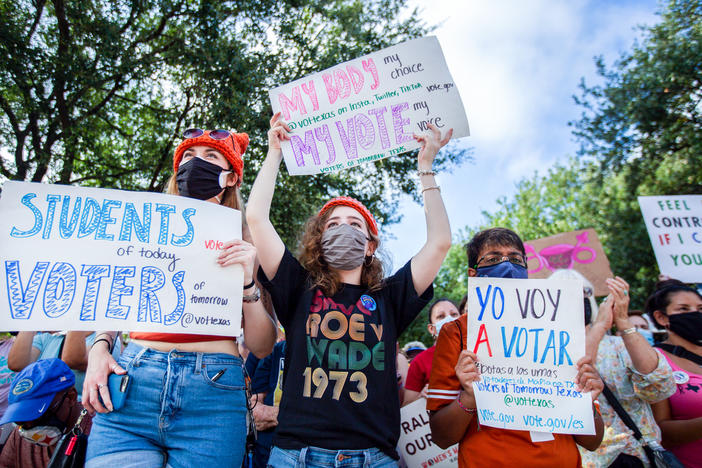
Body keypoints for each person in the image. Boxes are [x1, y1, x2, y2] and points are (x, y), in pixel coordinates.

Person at [246, 113, 453, 467]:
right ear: (320, 240)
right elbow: (256, 218)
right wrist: (274, 154)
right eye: (334, 224)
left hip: (374, 459)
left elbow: (440, 242)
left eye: (355, 224)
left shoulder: (391, 298)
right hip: (298, 456)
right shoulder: (297, 288)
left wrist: (426, 168)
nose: (344, 229)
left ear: (370, 245)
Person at [82, 128, 277, 468]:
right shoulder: (144, 227)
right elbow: (114, 297)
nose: (195, 163)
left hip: (213, 396)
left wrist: (248, 283)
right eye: (188, 156)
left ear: (230, 177)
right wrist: (99, 349)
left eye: (210, 156)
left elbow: (262, 346)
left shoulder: (249, 243)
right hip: (134, 384)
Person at [427, 227, 605, 468]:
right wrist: (469, 397)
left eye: (515, 259)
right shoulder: (456, 333)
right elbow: (441, 436)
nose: (507, 265)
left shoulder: (559, 325)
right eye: (493, 259)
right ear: (474, 273)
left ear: (526, 269)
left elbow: (592, 441)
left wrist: (586, 402)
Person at [555, 269, 676, 468]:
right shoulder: (544, 353)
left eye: (580, 293)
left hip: (638, 458)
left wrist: (623, 320)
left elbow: (659, 386)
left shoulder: (619, 345)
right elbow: (573, 374)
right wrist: (601, 325)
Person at [646, 280, 702, 468]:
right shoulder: (654, 360)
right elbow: (660, 431)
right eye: (684, 309)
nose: (696, 314)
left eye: (700, 308)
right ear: (662, 318)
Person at [0, 358, 91, 468]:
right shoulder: (18, 436)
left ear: (71, 397)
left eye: (38, 415)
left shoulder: (97, 431)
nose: (29, 427)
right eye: (20, 420)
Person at [8, 331, 120, 401]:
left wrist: (75, 314)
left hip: (78, 416)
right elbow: (17, 364)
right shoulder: (46, 338)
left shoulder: (103, 340)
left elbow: (73, 360)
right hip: (39, 412)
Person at [403, 298, 460, 405]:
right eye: (441, 316)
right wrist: (421, 397)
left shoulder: (476, 353)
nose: (449, 319)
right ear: (431, 329)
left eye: (454, 314)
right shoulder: (420, 362)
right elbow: (406, 407)